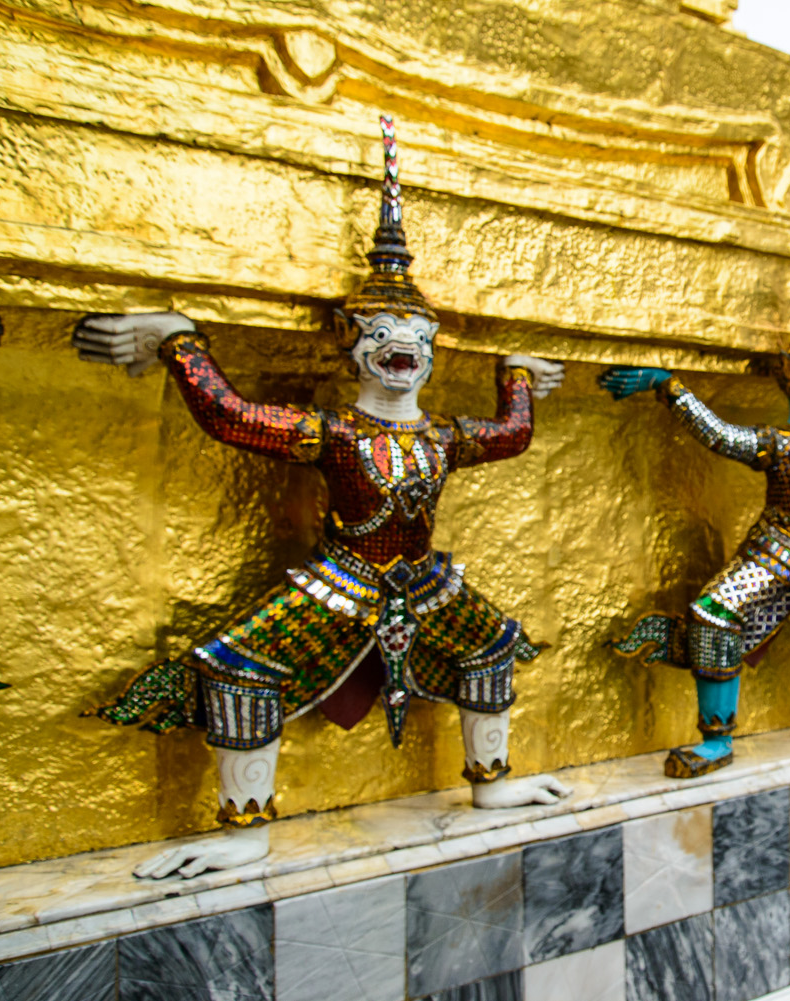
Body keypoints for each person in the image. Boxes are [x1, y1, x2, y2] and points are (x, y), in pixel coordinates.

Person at [75, 117, 571, 879]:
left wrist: (515, 377)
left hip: (423, 581)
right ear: (354, 342)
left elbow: (512, 435)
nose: (401, 346)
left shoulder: (443, 435)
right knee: (239, 667)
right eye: (382, 331)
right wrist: (183, 342)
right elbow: (231, 417)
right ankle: (244, 832)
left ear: (434, 352)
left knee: (494, 644)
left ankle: (493, 788)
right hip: (337, 583)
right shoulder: (333, 433)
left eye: (415, 336)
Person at [604, 239, 790, 777]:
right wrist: (670, 388)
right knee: (713, 614)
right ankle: (717, 738)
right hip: (775, 552)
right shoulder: (779, 442)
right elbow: (719, 435)